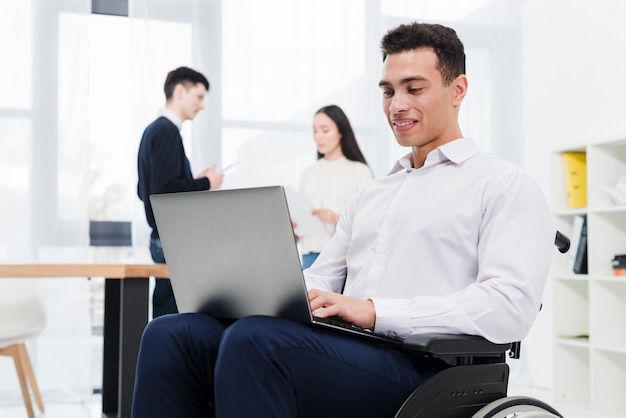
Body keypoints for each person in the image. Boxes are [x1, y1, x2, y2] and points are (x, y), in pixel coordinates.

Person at [131, 22, 554, 417]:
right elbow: (322, 278)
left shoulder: (502, 184)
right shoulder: (373, 194)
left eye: (414, 88)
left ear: (458, 89)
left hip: (429, 370)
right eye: (388, 91)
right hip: (349, 348)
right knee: (172, 333)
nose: (397, 104)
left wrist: (374, 311)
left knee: (256, 342)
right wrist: (266, 293)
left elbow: (510, 305)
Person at [137, 66, 224, 318]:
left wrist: (191, 181)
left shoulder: (153, 131)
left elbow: (146, 190)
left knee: (167, 314)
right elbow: (164, 191)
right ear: (179, 92)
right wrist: (206, 183)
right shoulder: (167, 132)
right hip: (171, 239)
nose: (202, 105)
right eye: (199, 97)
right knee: (174, 318)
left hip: (163, 238)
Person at [298, 105, 373, 269]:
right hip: (309, 255)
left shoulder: (359, 171)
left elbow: (368, 223)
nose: (318, 137)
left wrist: (336, 219)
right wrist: (294, 226)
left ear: (341, 132)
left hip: (342, 256)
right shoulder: (308, 173)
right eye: (315, 131)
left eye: (325, 130)